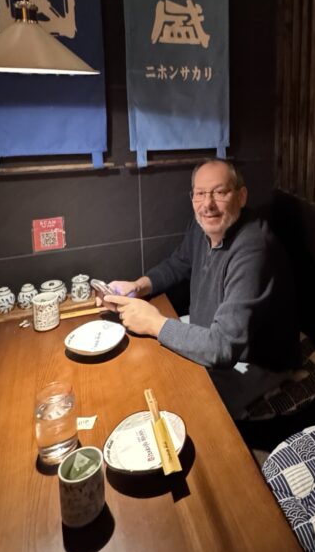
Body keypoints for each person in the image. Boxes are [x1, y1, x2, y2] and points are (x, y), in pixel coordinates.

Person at [101, 158, 300, 417]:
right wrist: (138, 287)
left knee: (177, 402)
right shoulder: (201, 225)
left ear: (241, 196)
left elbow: (222, 348)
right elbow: (178, 263)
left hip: (257, 361)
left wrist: (154, 323)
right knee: (143, 364)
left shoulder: (254, 248)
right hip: (209, 335)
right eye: (200, 194)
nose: (208, 204)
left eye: (220, 192)